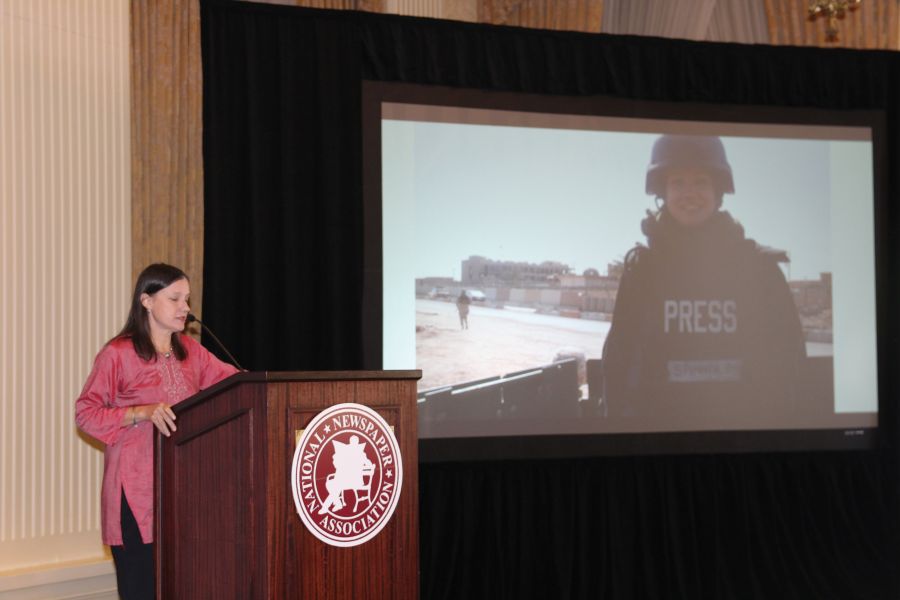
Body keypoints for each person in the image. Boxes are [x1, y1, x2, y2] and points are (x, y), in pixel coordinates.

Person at [601, 135, 806, 426]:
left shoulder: (759, 270)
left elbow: (789, 364)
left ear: (718, 191)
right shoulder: (642, 271)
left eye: (701, 182)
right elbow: (619, 363)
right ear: (663, 192)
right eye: (678, 183)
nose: (689, 193)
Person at [75, 264, 239, 600]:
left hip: (186, 493)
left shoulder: (191, 352)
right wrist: (140, 413)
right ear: (147, 301)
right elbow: (86, 413)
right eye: (175, 299)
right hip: (135, 493)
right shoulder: (118, 353)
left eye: (187, 299)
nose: (185, 308)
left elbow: (236, 385)